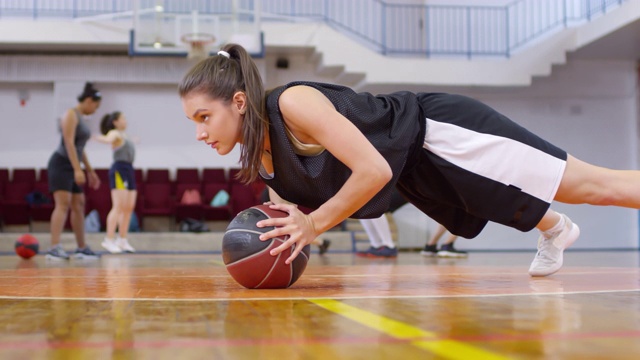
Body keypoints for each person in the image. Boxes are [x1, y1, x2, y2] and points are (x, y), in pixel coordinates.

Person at [178, 44, 640, 277]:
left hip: (437, 132)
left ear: (238, 101)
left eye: (204, 116)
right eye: (192, 122)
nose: (199, 132)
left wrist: (314, 226)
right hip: (417, 171)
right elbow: (292, 215)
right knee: (500, 203)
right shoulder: (261, 159)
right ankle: (555, 227)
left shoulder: (293, 103)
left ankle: (558, 223)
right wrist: (287, 237)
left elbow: (374, 171)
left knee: (597, 188)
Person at [46, 82, 102, 260]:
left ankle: (81, 248)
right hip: (61, 164)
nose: (95, 110)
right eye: (95, 106)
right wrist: (77, 170)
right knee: (63, 204)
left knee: (79, 204)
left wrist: (90, 171)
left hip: (72, 164)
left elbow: (80, 148)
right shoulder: (71, 114)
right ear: (88, 100)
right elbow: (69, 143)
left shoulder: (81, 118)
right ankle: (54, 248)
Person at [93, 111, 137, 254]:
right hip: (119, 169)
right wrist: (95, 137)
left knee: (128, 208)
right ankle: (109, 239)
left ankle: (122, 240)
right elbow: (107, 139)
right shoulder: (115, 133)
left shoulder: (125, 136)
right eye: (123, 118)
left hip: (129, 169)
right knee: (118, 206)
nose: (125, 120)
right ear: (115, 122)